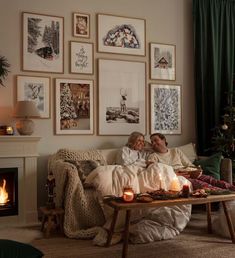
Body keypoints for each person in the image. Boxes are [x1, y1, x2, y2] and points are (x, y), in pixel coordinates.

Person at [148, 133, 235, 191]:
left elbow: (188, 164)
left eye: (156, 140)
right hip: (177, 177)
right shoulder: (153, 156)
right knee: (201, 184)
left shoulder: (175, 151)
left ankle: (232, 189)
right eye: (152, 142)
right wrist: (175, 174)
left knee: (211, 180)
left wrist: (197, 170)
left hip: (188, 172)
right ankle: (223, 194)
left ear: (163, 140)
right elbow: (156, 171)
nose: (154, 143)